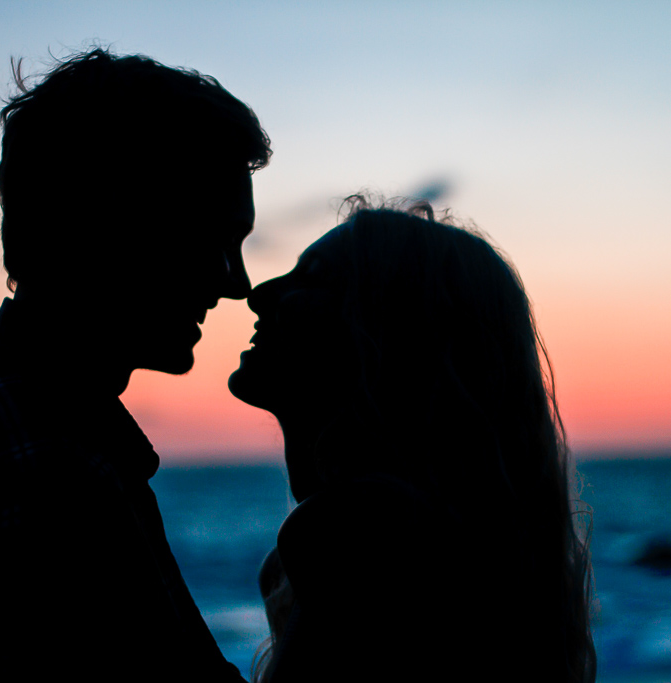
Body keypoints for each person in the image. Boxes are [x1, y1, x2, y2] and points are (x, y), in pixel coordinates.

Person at [0, 48, 270, 681]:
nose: (237, 284)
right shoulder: (47, 470)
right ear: (118, 225)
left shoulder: (19, 420)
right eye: (216, 240)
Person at [230, 198, 596, 682]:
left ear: (387, 335)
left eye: (311, 277)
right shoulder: (454, 541)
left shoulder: (362, 531)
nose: (261, 294)